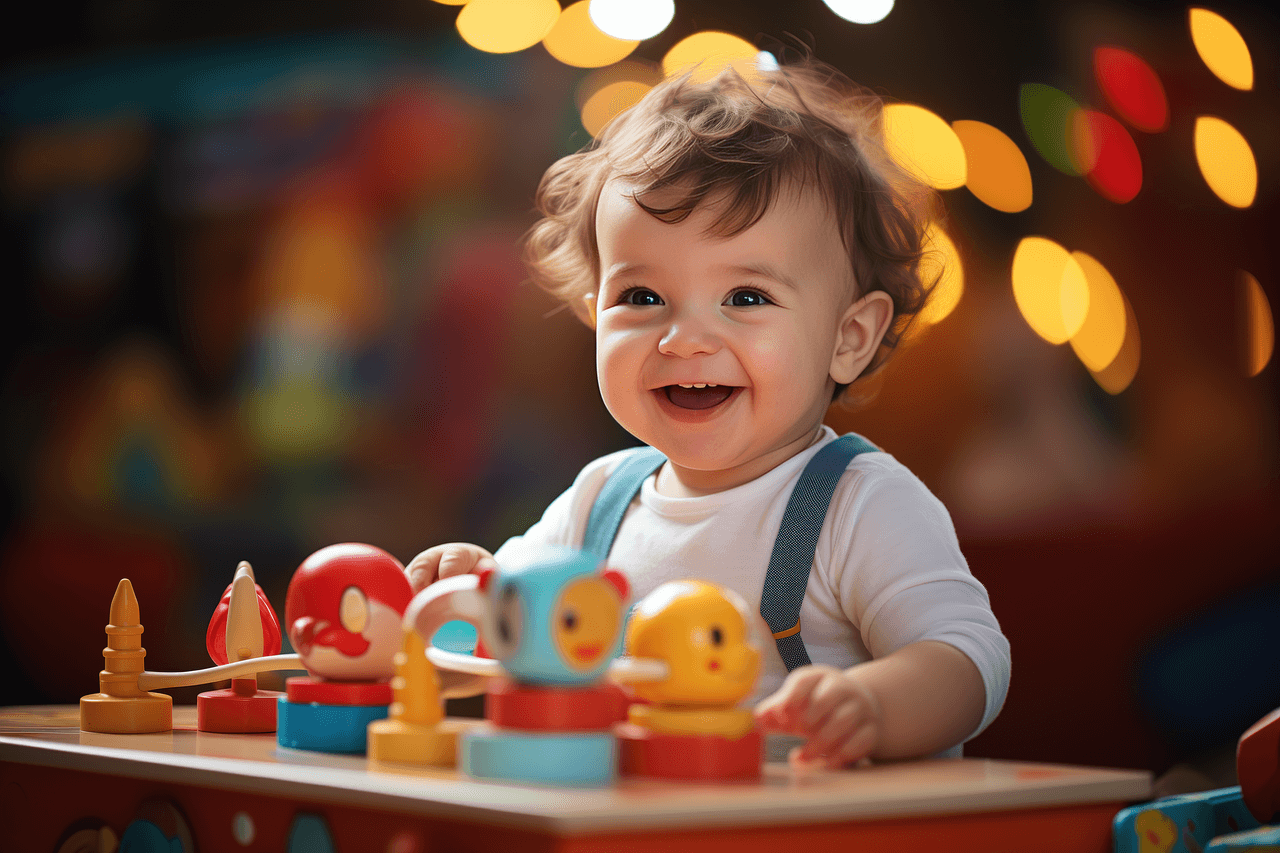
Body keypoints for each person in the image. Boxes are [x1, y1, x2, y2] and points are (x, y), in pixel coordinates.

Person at [406, 58, 1010, 767]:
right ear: (593, 312)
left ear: (848, 338)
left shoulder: (857, 504)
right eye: (642, 297)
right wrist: (469, 590)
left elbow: (970, 659)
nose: (684, 337)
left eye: (746, 298)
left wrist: (874, 706)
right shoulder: (599, 504)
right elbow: (501, 641)